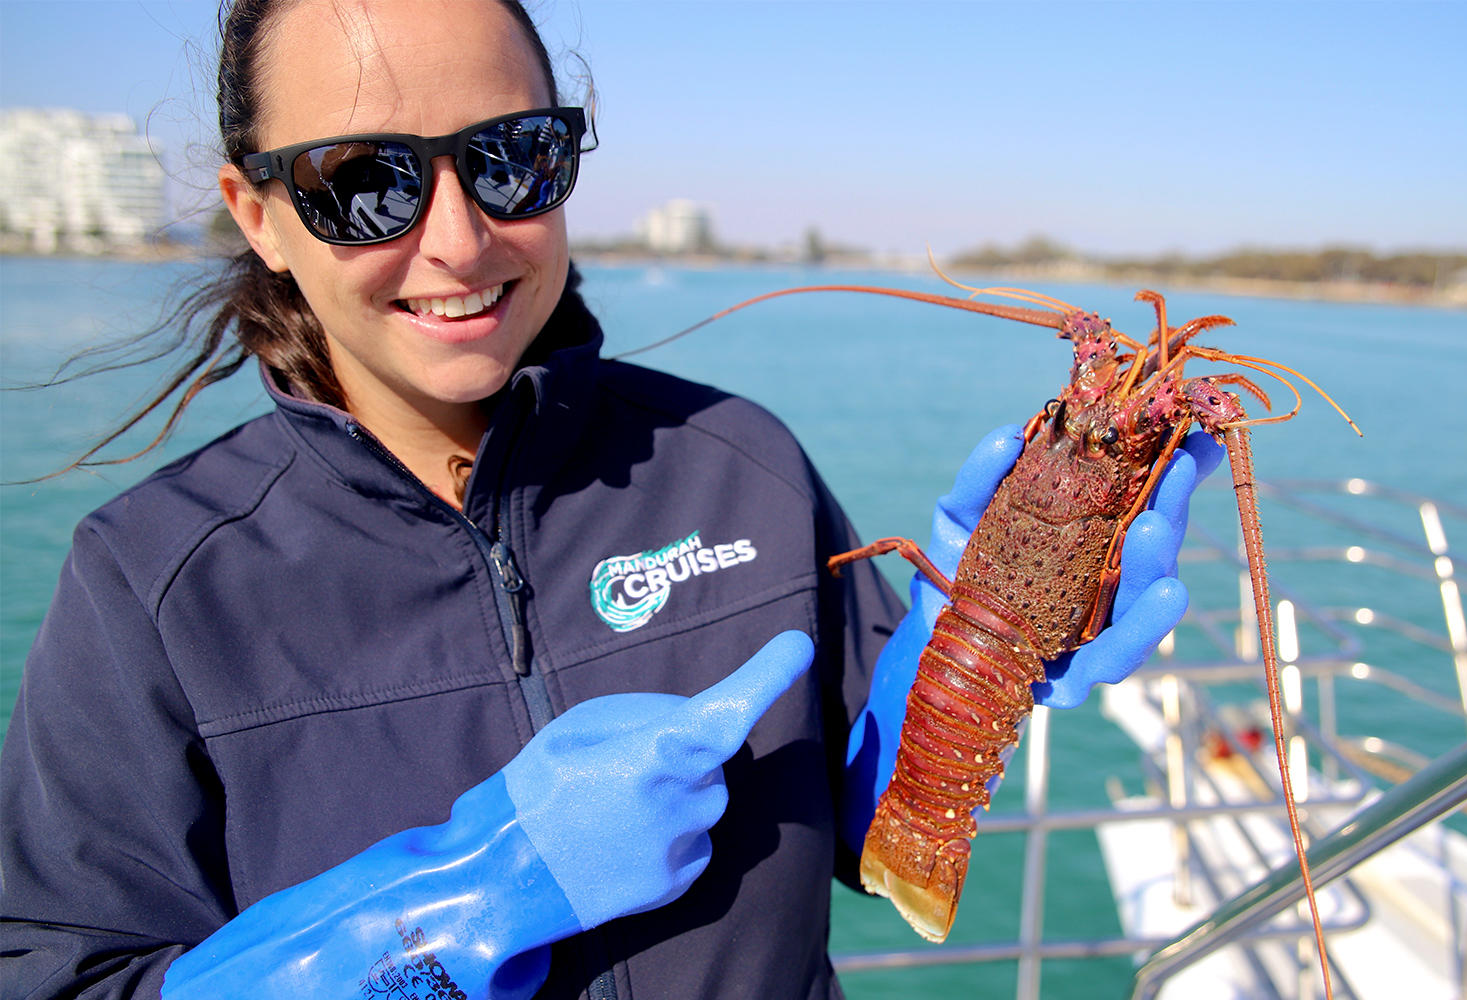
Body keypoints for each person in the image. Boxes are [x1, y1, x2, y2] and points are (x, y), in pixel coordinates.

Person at [0, 2, 1215, 998]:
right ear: (259, 216)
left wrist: (974, 641)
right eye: (362, 182)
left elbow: (864, 821)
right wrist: (462, 897)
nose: (459, 239)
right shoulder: (148, 582)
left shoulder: (740, 455)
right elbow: (61, 976)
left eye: (508, 156)